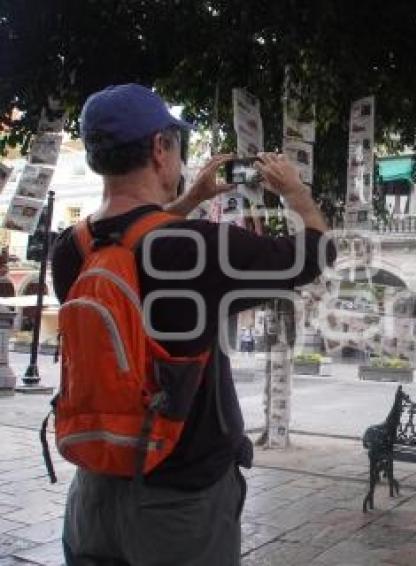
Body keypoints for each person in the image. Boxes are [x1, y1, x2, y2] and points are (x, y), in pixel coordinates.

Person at [52, 84, 335, 565]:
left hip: (94, 492)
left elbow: (131, 239)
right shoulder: (200, 249)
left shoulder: (71, 250)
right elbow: (316, 253)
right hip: (180, 501)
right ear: (160, 149)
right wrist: (295, 192)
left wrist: (183, 203)